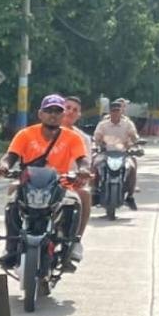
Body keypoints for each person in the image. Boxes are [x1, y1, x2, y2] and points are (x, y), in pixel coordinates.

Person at [0, 94, 91, 270]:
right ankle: (11, 248)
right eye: (49, 111)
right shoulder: (25, 134)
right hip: (29, 184)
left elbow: (83, 159)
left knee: (74, 202)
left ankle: (69, 247)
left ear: (63, 116)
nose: (53, 115)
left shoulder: (73, 138)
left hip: (60, 184)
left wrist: (83, 170)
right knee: (13, 200)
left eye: (57, 111)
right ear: (40, 114)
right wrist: (4, 166)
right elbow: (10, 157)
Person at [93, 99, 140, 210]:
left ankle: (130, 195)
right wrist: (97, 145)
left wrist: (136, 143)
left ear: (121, 111)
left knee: (132, 167)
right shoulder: (103, 124)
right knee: (94, 164)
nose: (115, 113)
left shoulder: (127, 124)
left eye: (117, 110)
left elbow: (134, 136)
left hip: (123, 154)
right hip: (106, 154)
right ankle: (94, 190)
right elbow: (97, 138)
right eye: (113, 110)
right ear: (110, 112)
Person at [62, 96, 94, 225]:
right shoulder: (45, 131)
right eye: (67, 108)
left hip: (70, 181)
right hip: (44, 180)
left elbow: (86, 162)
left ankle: (76, 239)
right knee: (15, 189)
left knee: (85, 194)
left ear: (78, 115)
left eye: (75, 110)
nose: (70, 112)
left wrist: (83, 175)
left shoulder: (83, 138)